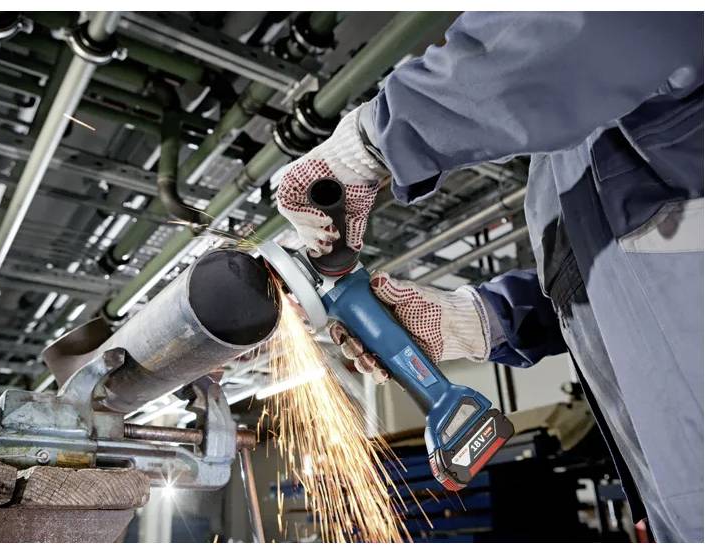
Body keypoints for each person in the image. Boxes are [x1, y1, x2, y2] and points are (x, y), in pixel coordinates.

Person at [275, 12, 703, 542]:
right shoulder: (567, 161)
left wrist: (374, 141)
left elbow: (595, 23)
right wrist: (480, 321)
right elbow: (614, 283)